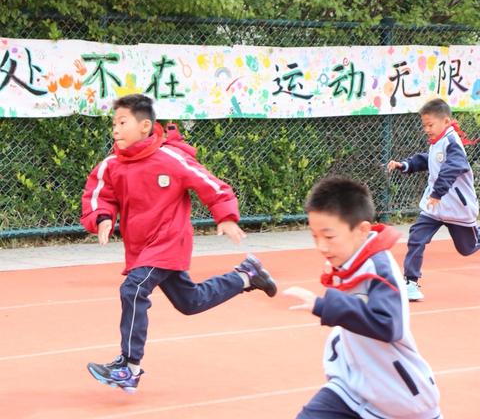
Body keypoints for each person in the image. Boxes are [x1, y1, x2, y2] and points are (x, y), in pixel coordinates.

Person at [81, 93, 277, 393]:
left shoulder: (171, 158)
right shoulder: (112, 165)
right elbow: (98, 193)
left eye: (122, 123)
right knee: (190, 302)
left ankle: (128, 368)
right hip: (141, 247)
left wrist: (225, 215)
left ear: (145, 126)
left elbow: (210, 184)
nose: (115, 130)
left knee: (133, 289)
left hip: (168, 241)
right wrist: (102, 217)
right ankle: (246, 275)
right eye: (114, 124)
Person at [283, 177, 441, 419]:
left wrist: (323, 305)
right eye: (314, 237)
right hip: (350, 389)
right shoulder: (346, 260)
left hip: (400, 402)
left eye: (329, 236)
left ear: (362, 230)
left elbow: (389, 326)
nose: (321, 247)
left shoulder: (378, 269)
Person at [387, 98, 479, 301]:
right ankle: (411, 282)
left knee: (467, 249)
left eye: (430, 125)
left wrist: (437, 193)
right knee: (416, 236)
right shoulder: (437, 142)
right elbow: (428, 160)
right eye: (424, 125)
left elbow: (452, 168)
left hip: (457, 208)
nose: (427, 129)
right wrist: (404, 165)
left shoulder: (452, 143)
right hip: (434, 207)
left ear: (446, 121)